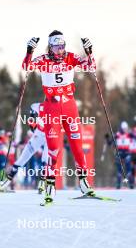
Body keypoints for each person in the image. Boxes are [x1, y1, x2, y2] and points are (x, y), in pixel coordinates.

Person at [22, 30, 96, 204]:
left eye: (62, 47)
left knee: (78, 147)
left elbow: (91, 67)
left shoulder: (70, 57)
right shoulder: (43, 60)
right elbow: (26, 67)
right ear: (50, 47)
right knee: (53, 149)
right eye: (56, 47)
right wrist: (29, 51)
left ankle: (84, 182)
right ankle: (50, 185)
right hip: (51, 108)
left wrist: (89, 52)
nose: (60, 51)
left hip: (70, 107)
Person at [0, 102, 48, 192]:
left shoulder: (58, 108)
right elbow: (32, 107)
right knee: (23, 157)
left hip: (50, 136)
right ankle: (7, 181)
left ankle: (42, 182)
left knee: (46, 159)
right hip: (38, 134)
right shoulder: (39, 106)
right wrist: (31, 119)